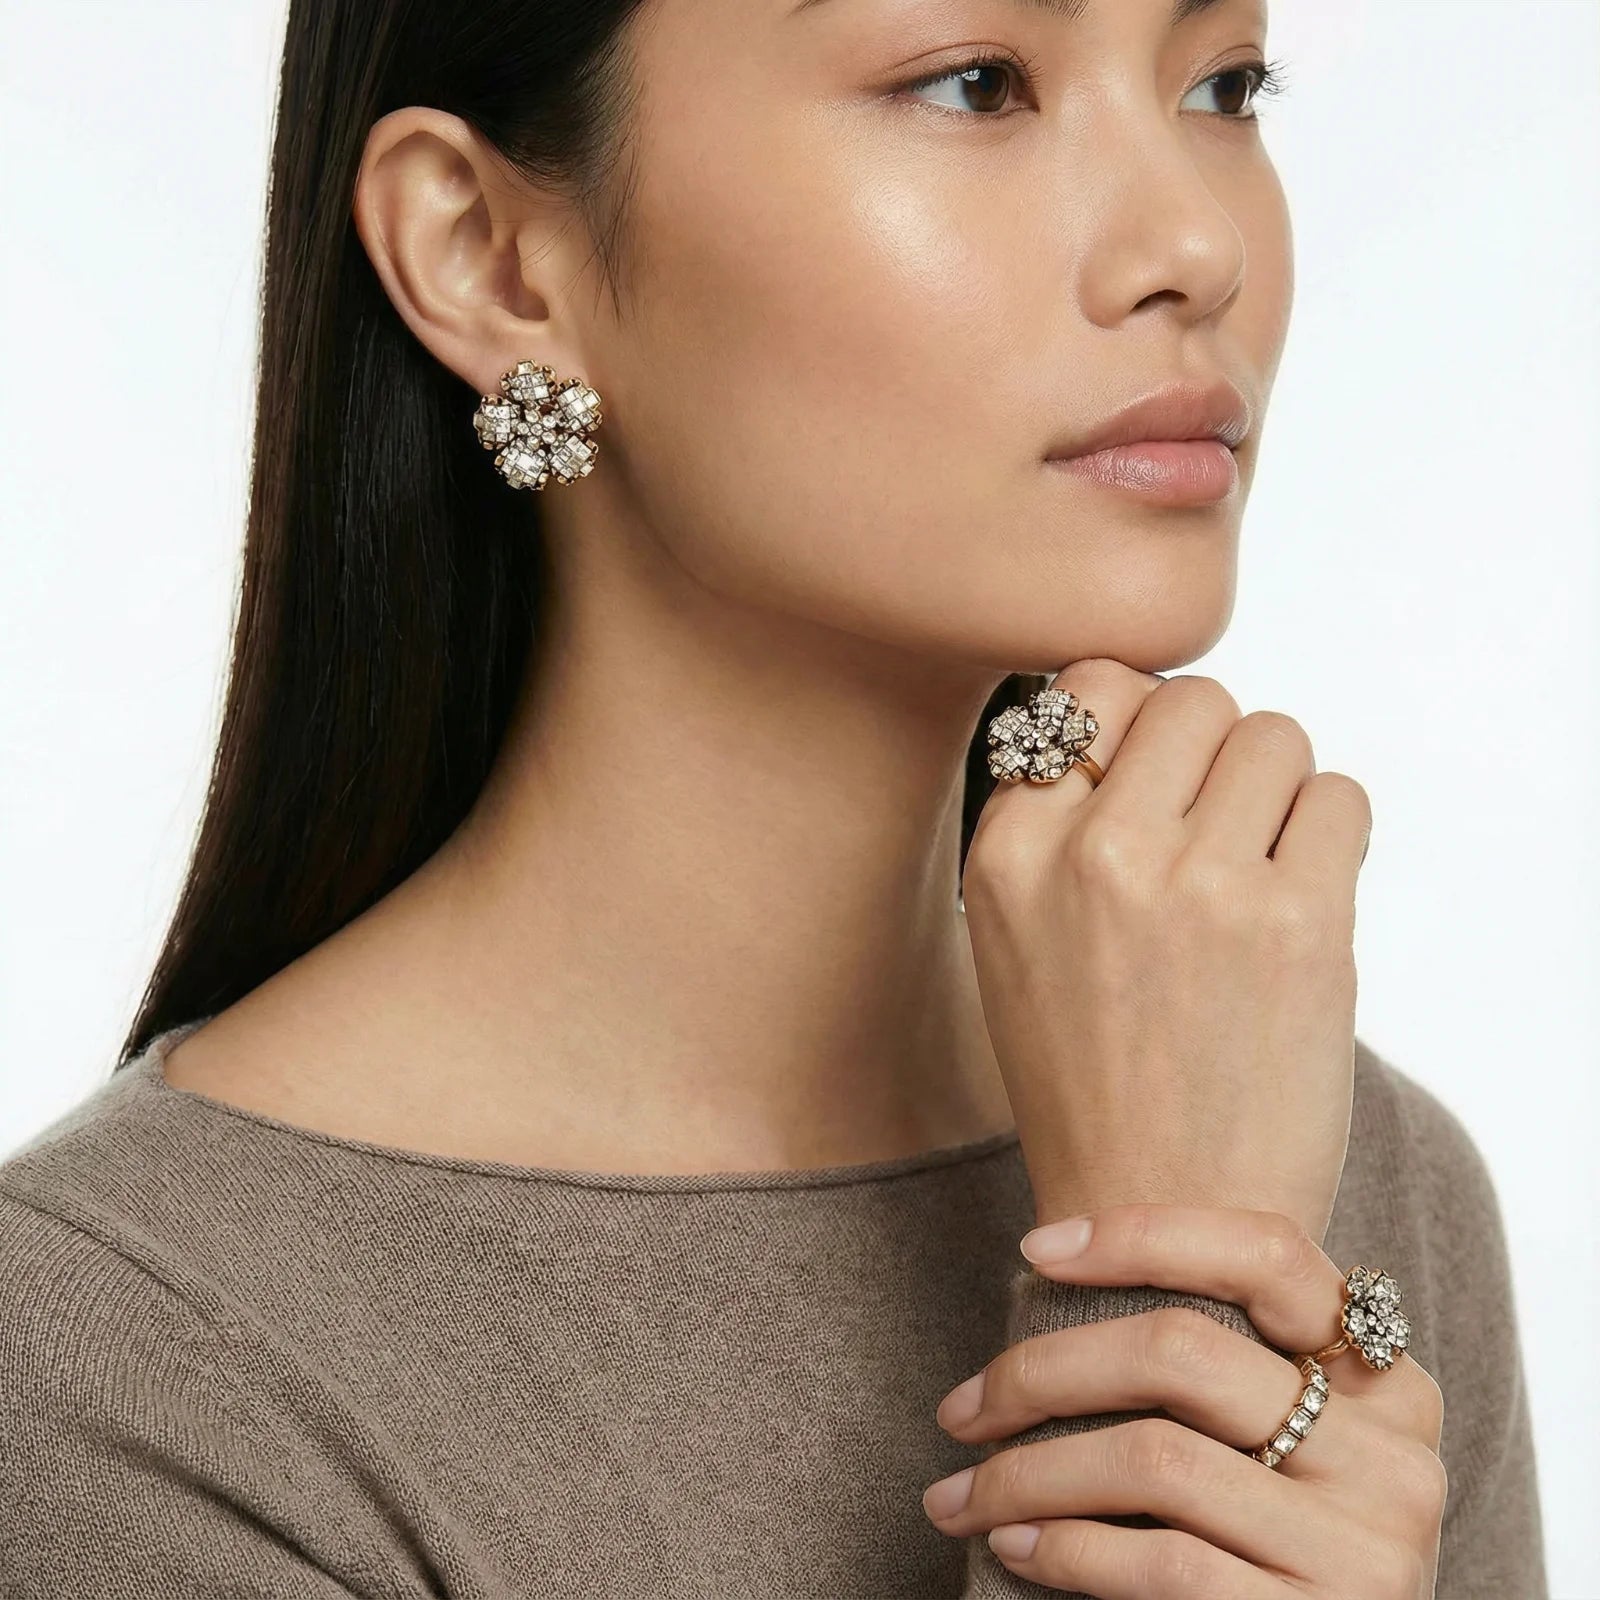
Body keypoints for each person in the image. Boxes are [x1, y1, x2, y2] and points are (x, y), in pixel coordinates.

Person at [0, 0, 1546, 1594]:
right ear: (489, 258)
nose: (1196, 246)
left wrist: (1197, 1243)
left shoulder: (1338, 1173)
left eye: (1224, 84)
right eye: (976, 84)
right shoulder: (126, 1376)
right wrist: (1162, 1306)